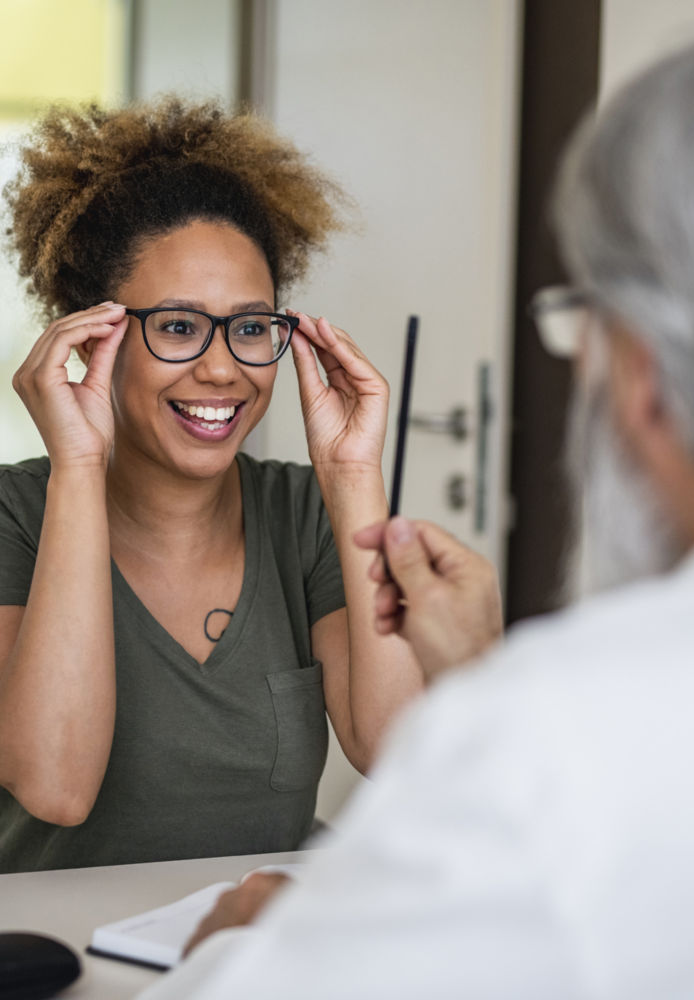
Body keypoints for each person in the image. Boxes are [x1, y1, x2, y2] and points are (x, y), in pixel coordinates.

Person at [138, 24, 694, 1000]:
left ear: (643, 372)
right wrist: (476, 681)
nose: (219, 362)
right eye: (176, 326)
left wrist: (234, 944)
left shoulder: (563, 739)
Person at [0, 98, 422, 873]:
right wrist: (78, 469)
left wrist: (355, 478)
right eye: (178, 326)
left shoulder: (303, 513)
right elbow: (55, 787)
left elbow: (400, 753)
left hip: (245, 958)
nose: (223, 368)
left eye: (252, 327)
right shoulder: (14, 515)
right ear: (96, 336)